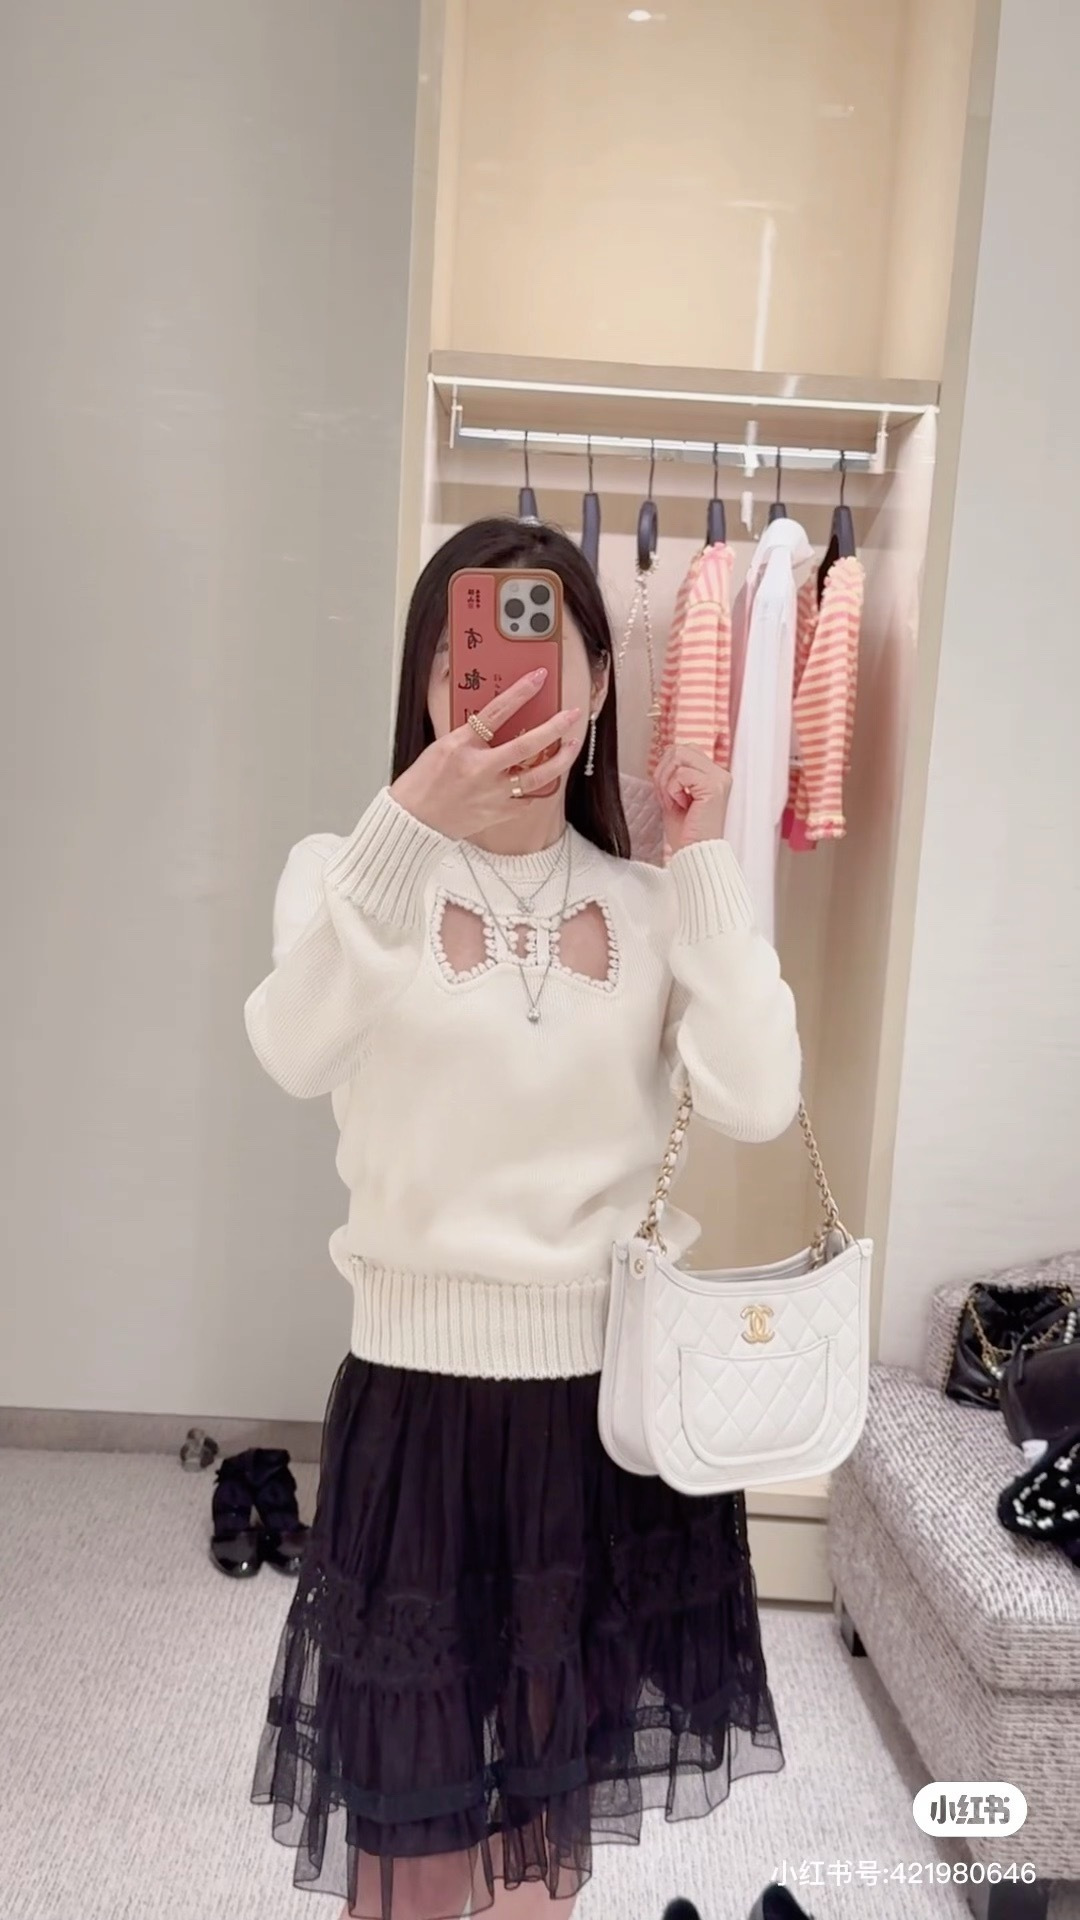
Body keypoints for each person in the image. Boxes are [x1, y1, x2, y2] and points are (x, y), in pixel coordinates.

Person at [244, 519, 802, 1920]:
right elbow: (292, 1049)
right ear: (428, 688)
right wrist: (410, 819)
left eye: (544, 653)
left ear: (599, 682)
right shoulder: (345, 875)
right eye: (464, 660)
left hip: (602, 1419)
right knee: (411, 1850)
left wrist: (704, 861)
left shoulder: (654, 903)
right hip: (419, 1414)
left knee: (539, 1843)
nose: (499, 688)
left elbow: (758, 1098)